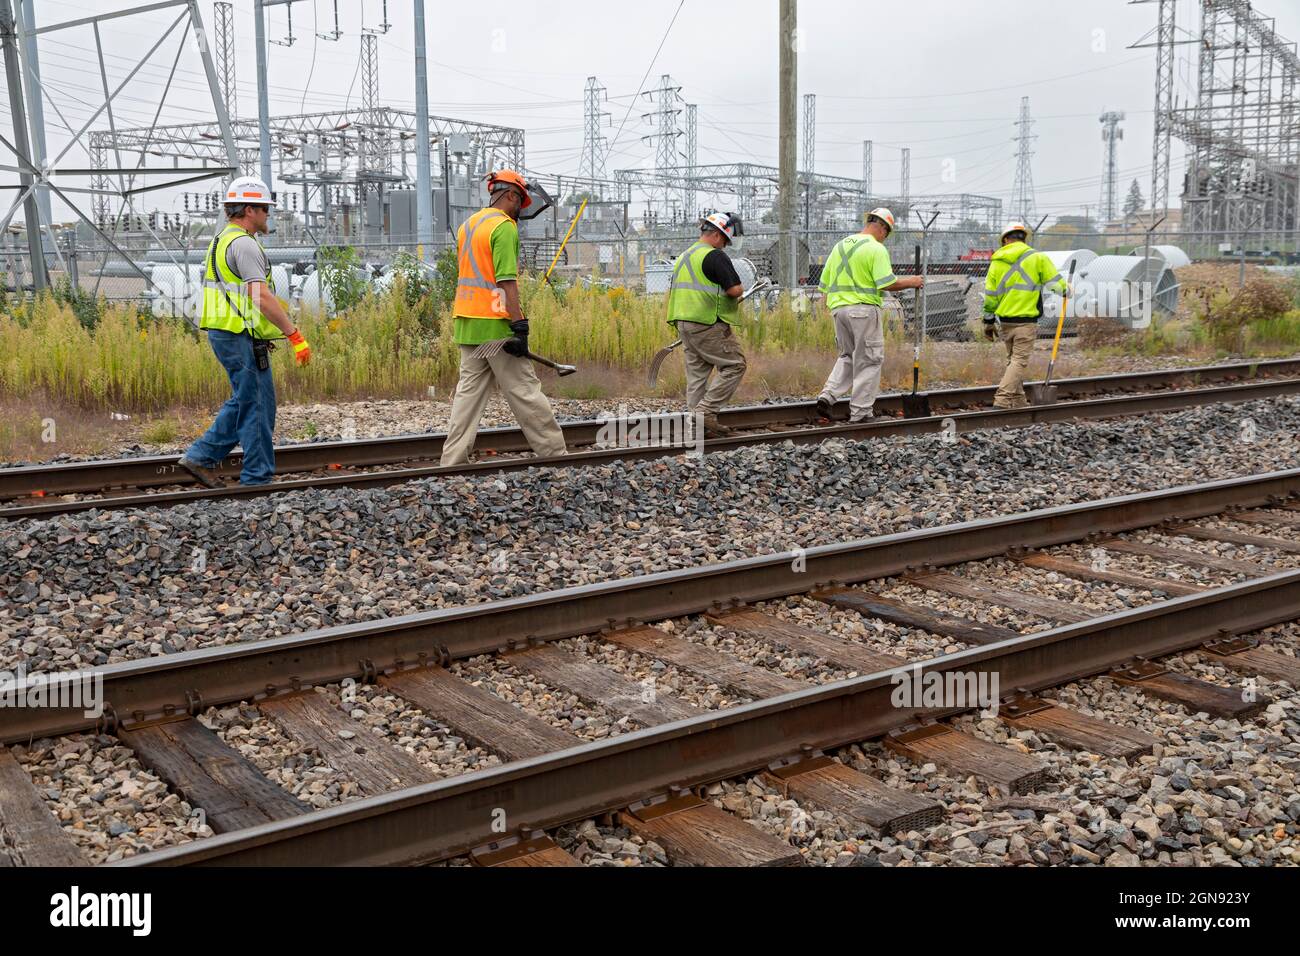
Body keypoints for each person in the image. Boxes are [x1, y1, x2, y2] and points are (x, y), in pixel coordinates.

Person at [178, 176, 310, 488]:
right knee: (257, 405)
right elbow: (260, 296)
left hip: (227, 333)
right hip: (238, 335)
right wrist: (294, 335)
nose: (268, 215)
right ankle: (255, 479)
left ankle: (201, 457)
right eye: (264, 209)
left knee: (248, 400)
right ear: (248, 210)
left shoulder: (221, 240)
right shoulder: (244, 245)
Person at [440, 170, 567, 466]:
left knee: (466, 400)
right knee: (525, 391)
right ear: (510, 195)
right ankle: (557, 457)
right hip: (497, 326)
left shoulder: (468, 225)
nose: (520, 211)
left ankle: (451, 463)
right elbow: (506, 280)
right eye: (519, 203)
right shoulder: (503, 226)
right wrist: (518, 326)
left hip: (467, 322)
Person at [814, 207, 923, 422]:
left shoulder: (840, 246)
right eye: (887, 233)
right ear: (882, 227)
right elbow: (887, 282)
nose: (885, 238)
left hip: (838, 310)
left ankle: (827, 396)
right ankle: (861, 413)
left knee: (847, 356)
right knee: (869, 360)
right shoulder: (876, 248)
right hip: (863, 310)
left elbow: (824, 285)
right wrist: (913, 281)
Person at [665, 212, 747, 438]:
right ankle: (705, 412)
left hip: (684, 322)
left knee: (697, 375)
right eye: (727, 241)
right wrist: (739, 290)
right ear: (719, 236)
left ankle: (696, 427)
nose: (726, 246)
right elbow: (734, 289)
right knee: (734, 365)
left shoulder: (685, 255)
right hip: (707, 322)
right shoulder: (715, 256)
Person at [982, 221, 1070, 408]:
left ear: (1005, 239)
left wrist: (988, 320)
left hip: (1005, 321)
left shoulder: (996, 262)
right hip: (1026, 321)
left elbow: (990, 295)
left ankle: (1019, 402)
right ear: (1024, 238)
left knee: (1013, 361)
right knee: (1019, 361)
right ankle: (1003, 399)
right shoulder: (1038, 258)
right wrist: (1066, 289)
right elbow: (1055, 283)